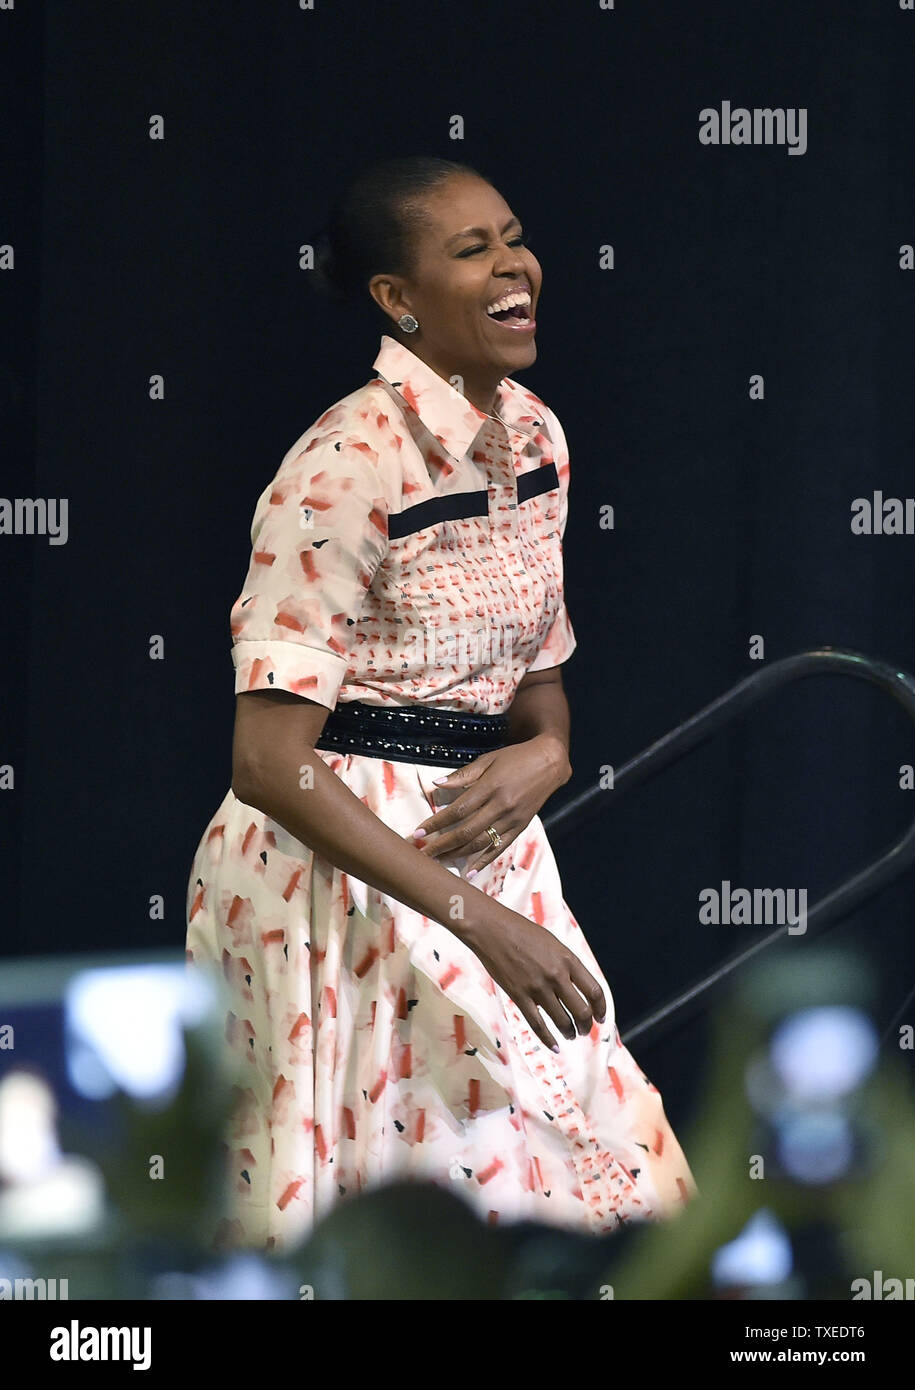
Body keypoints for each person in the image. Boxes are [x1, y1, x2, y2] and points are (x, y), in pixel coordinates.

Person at [185, 155, 697, 1254]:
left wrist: (550, 754)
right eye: (472, 250)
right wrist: (475, 921)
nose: (515, 265)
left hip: (487, 849)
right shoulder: (344, 462)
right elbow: (268, 761)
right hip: (336, 875)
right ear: (396, 299)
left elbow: (539, 681)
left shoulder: (540, 438)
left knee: (589, 1168)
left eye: (514, 236)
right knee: (364, 1198)